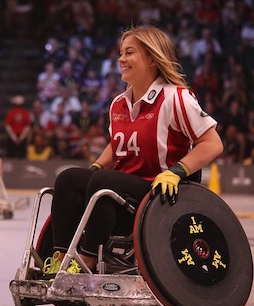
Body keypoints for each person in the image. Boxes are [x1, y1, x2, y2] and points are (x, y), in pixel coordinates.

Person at [42, 25, 223, 275]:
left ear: (151, 58)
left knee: (104, 180)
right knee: (69, 178)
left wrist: (176, 172)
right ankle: (60, 258)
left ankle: (87, 261)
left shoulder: (176, 98)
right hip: (121, 186)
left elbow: (212, 143)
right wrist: (96, 166)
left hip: (159, 192)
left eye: (129, 53)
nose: (121, 59)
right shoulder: (119, 103)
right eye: (121, 53)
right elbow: (118, 144)